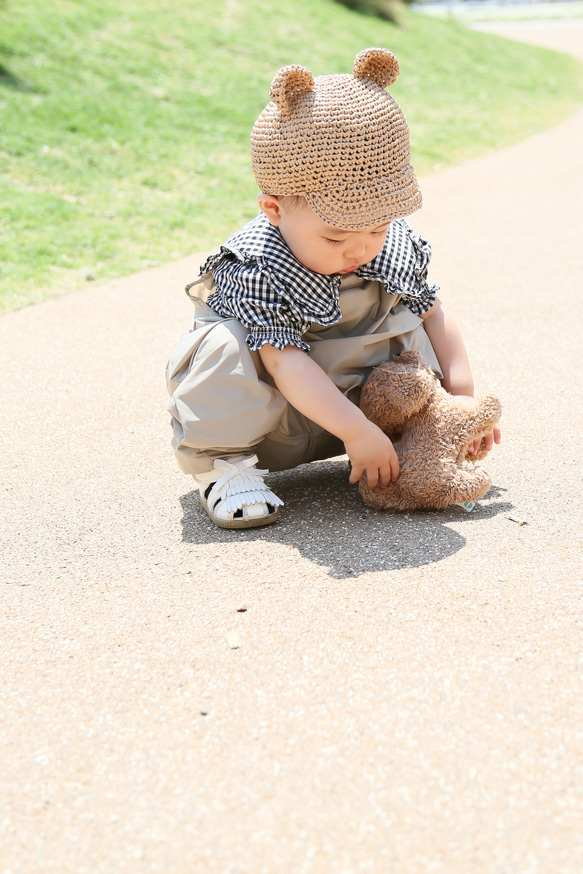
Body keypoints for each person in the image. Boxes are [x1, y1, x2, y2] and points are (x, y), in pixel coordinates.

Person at [166, 48, 500, 529]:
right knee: (223, 347)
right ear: (274, 209)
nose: (359, 249)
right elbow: (285, 361)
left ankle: (415, 442)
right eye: (337, 235)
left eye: (377, 228)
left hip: (373, 408)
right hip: (279, 426)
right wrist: (354, 429)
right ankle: (225, 469)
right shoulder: (257, 264)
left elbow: (435, 312)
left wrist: (461, 397)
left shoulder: (387, 244)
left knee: (410, 322)